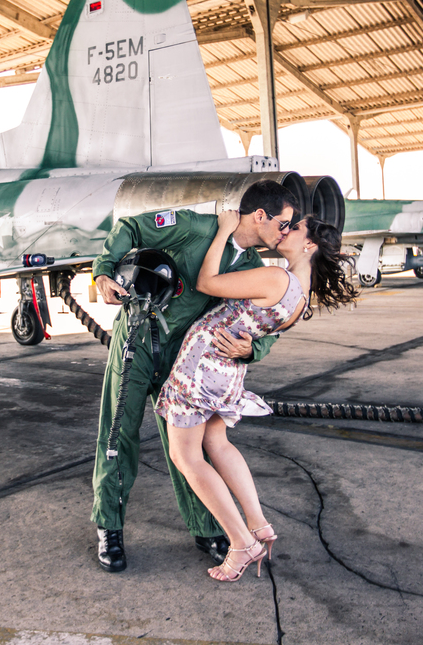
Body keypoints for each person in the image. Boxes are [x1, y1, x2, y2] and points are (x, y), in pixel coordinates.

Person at [90, 180, 299, 573]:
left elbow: (264, 325)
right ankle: (110, 527)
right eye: (283, 224)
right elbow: (132, 228)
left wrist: (251, 350)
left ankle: (205, 529)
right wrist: (103, 272)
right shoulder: (195, 227)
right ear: (260, 216)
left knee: (190, 450)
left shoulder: (255, 269)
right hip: (137, 340)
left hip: (184, 361)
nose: (285, 233)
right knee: (118, 436)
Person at [156, 212, 355, 581]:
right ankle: (258, 523)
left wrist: (225, 231)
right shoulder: (302, 294)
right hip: (226, 372)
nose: (284, 230)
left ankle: (241, 541)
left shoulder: (278, 277)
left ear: (308, 244)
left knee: (185, 456)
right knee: (217, 443)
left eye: (294, 228)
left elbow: (207, 281)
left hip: (202, 367)